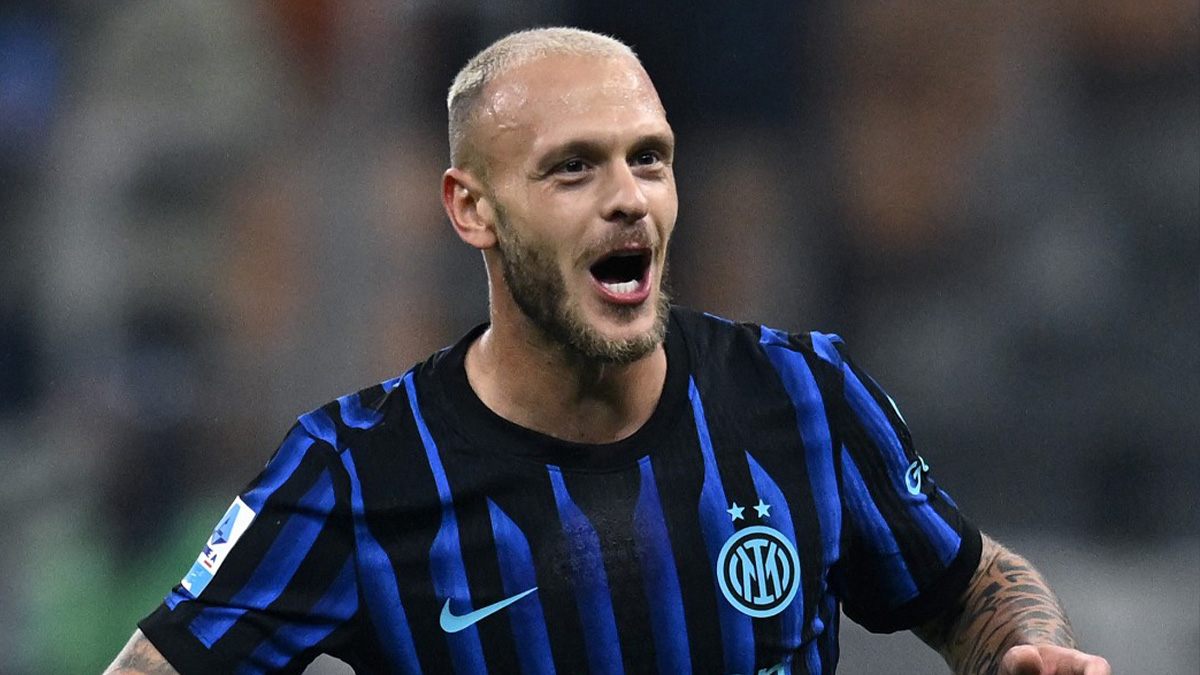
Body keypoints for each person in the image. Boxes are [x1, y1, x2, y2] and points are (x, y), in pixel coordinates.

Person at [105, 27, 1111, 675]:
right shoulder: (354, 471)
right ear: (472, 209)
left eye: (649, 159)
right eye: (574, 168)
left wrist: (1028, 649)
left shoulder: (804, 396)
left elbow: (969, 581)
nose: (628, 197)